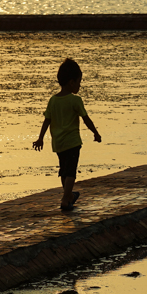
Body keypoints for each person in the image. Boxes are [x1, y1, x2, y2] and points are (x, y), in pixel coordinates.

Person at [32, 58, 101, 211]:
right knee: (71, 171)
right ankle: (65, 198)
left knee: (64, 170)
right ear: (71, 82)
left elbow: (46, 121)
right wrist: (95, 132)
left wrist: (40, 138)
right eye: (78, 82)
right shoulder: (75, 100)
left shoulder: (53, 100)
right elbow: (86, 119)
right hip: (72, 142)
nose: (79, 85)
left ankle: (69, 195)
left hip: (58, 143)